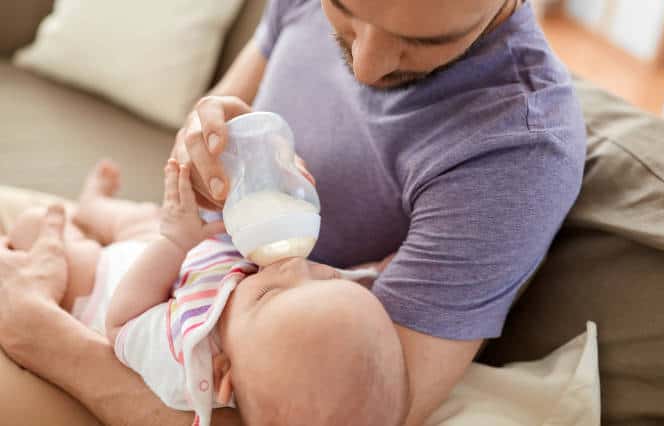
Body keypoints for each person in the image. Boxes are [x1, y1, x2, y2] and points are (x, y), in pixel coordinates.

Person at [0, 0, 586, 425]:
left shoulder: (515, 151)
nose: (367, 67)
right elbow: (202, 147)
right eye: (345, 11)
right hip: (179, 269)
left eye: (423, 42)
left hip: (151, 373)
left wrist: (37, 333)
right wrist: (204, 155)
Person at [6, 159, 408, 426]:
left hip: (107, 282)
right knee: (142, 219)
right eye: (326, 278)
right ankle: (93, 206)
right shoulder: (286, 328)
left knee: (36, 225)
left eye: (267, 296)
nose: (291, 268)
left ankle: (72, 229)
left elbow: (122, 321)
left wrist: (174, 244)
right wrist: (371, 274)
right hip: (186, 260)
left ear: (220, 374)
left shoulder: (186, 358)